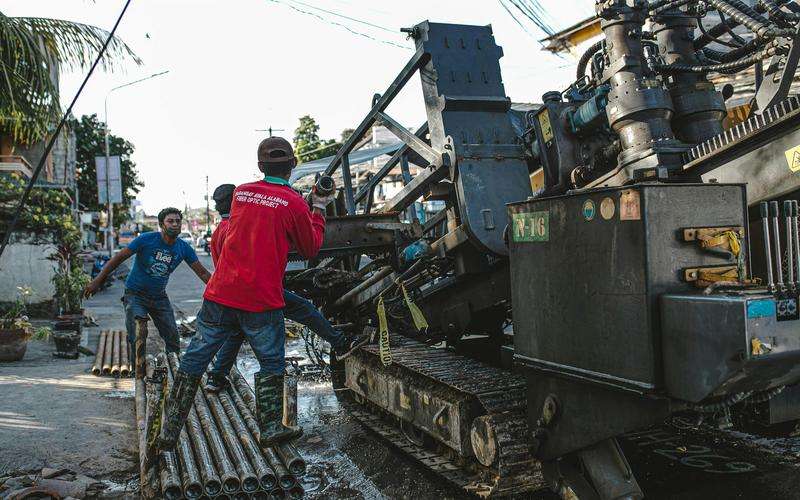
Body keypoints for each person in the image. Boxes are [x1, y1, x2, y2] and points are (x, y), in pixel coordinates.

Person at [158, 137, 335, 452]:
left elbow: (259, 219)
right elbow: (310, 248)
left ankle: (169, 431)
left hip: (220, 295)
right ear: (293, 165)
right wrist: (317, 207)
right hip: (260, 300)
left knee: (195, 360)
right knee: (271, 364)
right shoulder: (294, 202)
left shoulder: (241, 193)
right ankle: (270, 429)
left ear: (259, 166)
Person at [203, 183, 365, 393]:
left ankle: (216, 377)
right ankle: (341, 343)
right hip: (259, 291)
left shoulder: (221, 231)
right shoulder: (238, 228)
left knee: (236, 332)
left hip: (236, 293)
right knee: (304, 310)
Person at [84, 208, 212, 361]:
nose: (175, 224)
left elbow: (203, 273)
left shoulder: (184, 248)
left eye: (178, 221)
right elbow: (118, 258)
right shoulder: (146, 239)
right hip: (135, 295)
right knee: (138, 333)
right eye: (170, 221)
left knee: (172, 337)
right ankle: (138, 372)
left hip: (159, 297)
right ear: (161, 225)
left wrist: (219, 293)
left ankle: (173, 371)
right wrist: (98, 280)